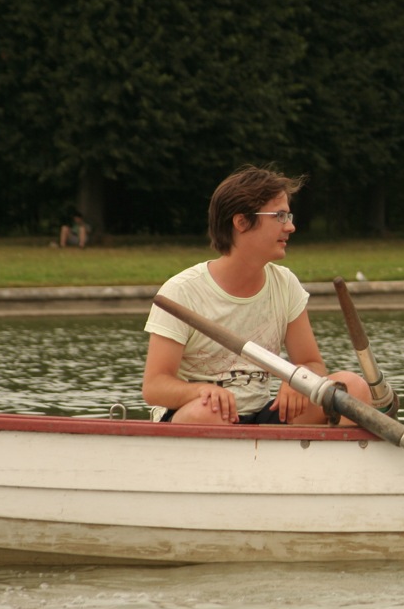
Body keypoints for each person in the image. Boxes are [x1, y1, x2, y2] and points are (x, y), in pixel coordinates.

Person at [142, 165, 371, 425]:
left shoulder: (285, 283)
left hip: (262, 414)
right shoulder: (181, 291)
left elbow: (312, 363)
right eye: (280, 216)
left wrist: (299, 379)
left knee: (352, 388)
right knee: (208, 410)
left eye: (289, 216)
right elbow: (155, 386)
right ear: (241, 222)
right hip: (199, 417)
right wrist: (201, 391)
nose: (290, 227)